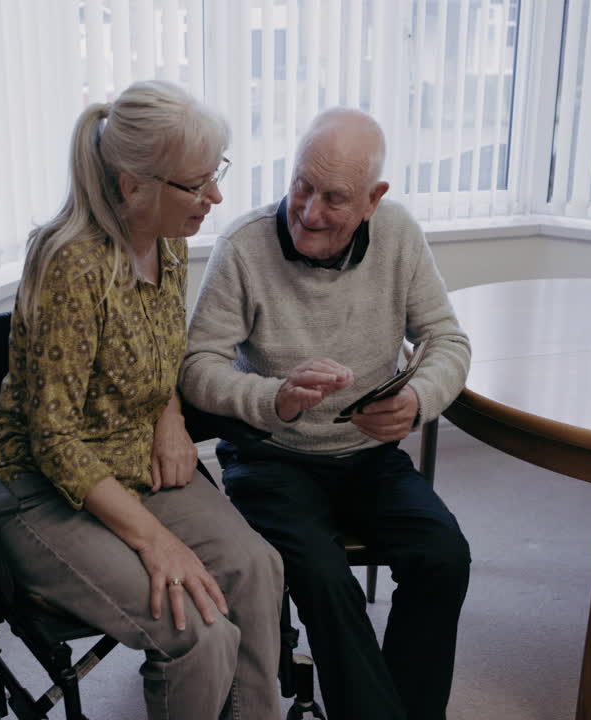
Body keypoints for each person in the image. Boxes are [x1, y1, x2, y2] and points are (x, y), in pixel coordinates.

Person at [0, 81, 284, 719]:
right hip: (46, 489)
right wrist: (153, 540)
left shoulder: (168, 240)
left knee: (257, 569)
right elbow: (54, 441)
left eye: (215, 175)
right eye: (197, 183)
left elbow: (158, 350)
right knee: (196, 630)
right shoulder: (71, 264)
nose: (216, 197)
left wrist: (170, 415)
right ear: (132, 185)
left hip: (137, 457)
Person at [180, 107, 472, 720]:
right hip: (269, 460)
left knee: (444, 556)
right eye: (301, 186)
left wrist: (417, 402)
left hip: (367, 458)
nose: (309, 213)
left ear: (374, 199)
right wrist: (272, 397)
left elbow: (447, 340)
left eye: (334, 198)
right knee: (323, 576)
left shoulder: (398, 236)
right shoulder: (243, 244)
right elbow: (196, 366)